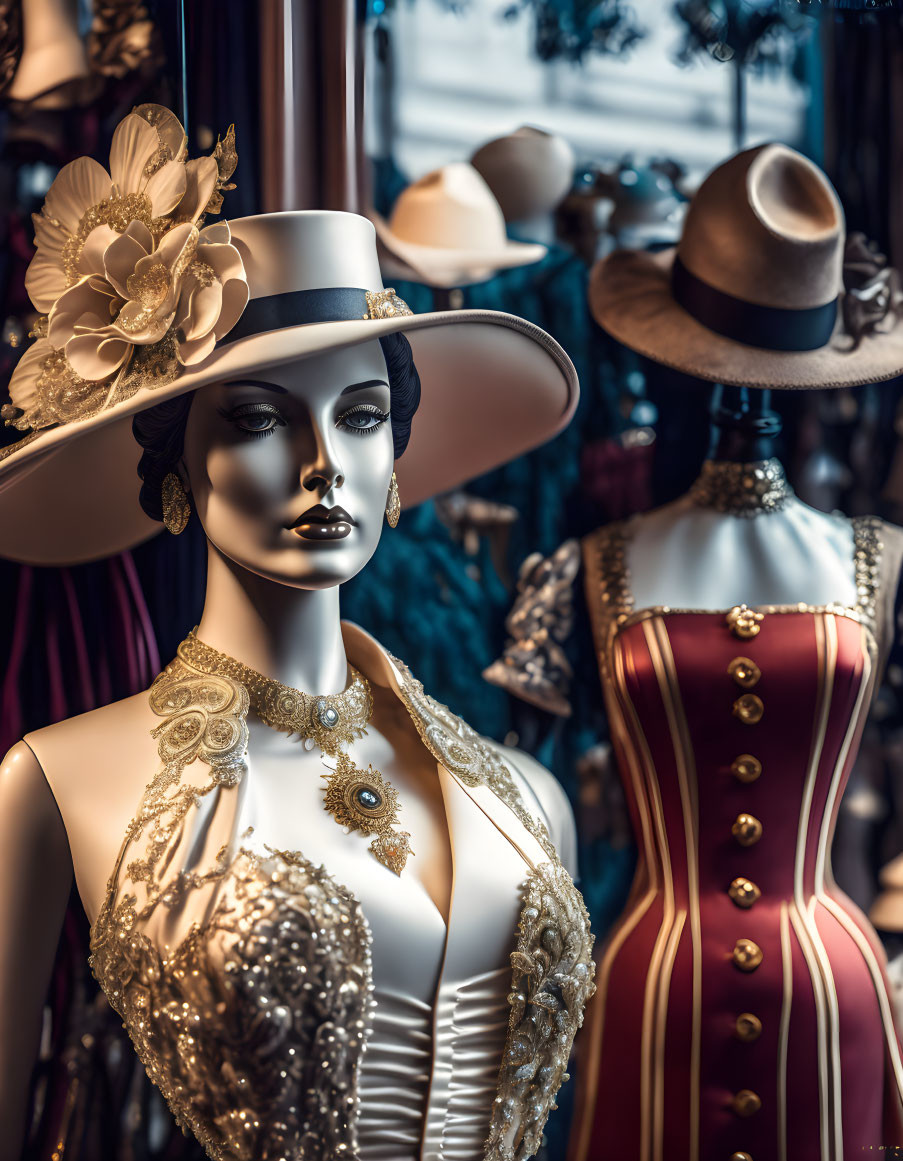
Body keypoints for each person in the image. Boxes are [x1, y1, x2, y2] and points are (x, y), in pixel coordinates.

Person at [0, 103, 593, 1161]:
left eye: (362, 415)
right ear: (176, 463)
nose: (326, 464)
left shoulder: (526, 797)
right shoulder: (58, 779)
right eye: (263, 419)